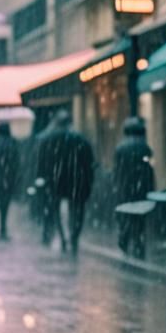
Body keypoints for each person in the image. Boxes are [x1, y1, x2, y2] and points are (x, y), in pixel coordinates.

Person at [36, 110, 95, 257]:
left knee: (55, 209)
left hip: (55, 179)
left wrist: (42, 177)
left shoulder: (47, 139)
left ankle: (63, 238)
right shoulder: (80, 139)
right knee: (77, 210)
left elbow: (41, 162)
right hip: (76, 179)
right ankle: (74, 237)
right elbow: (89, 162)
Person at [113, 116, 154, 260]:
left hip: (124, 188)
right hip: (141, 189)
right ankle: (138, 243)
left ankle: (124, 239)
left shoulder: (120, 148)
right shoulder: (144, 147)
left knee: (126, 216)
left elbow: (117, 171)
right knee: (139, 218)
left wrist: (117, 186)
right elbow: (149, 169)